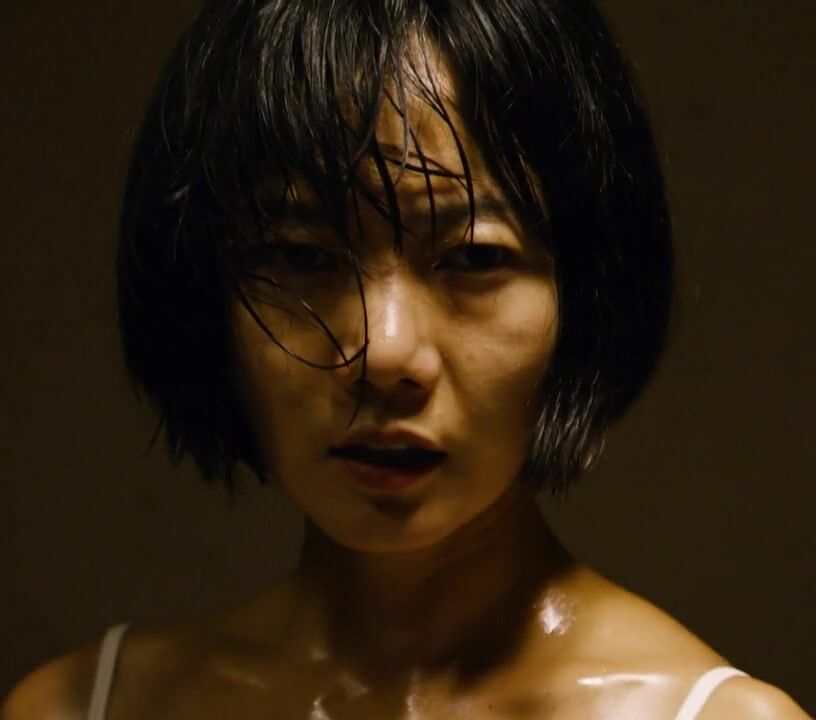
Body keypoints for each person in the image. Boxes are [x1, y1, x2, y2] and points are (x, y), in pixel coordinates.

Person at [2, 1, 811, 718]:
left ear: (588, 294)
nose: (383, 351)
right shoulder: (82, 708)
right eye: (300, 256)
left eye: (474, 258)